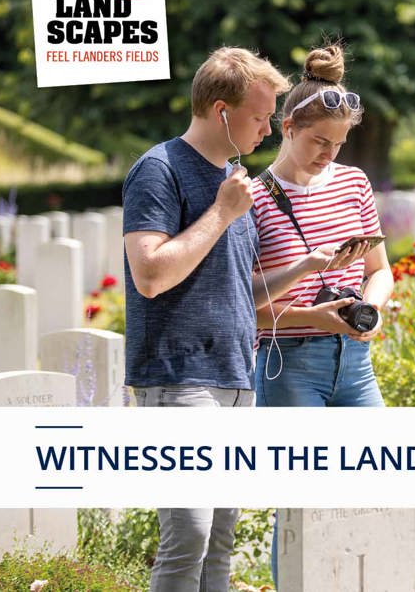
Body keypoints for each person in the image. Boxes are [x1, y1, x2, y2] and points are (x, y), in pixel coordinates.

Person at [123, 47, 344, 592]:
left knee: (221, 540)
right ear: (221, 111)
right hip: (177, 379)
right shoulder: (159, 170)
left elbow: (235, 291)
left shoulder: (236, 179)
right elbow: (150, 273)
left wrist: (304, 269)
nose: (269, 129)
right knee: (189, 536)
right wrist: (222, 212)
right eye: (260, 116)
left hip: (235, 376)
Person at [249, 43, 392, 588]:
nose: (328, 153)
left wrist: (369, 311)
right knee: (302, 505)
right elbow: (247, 308)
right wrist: (314, 316)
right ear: (287, 127)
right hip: (290, 368)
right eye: (318, 141)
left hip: (354, 363)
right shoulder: (256, 197)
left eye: (338, 143)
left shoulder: (354, 185)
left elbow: (382, 271)